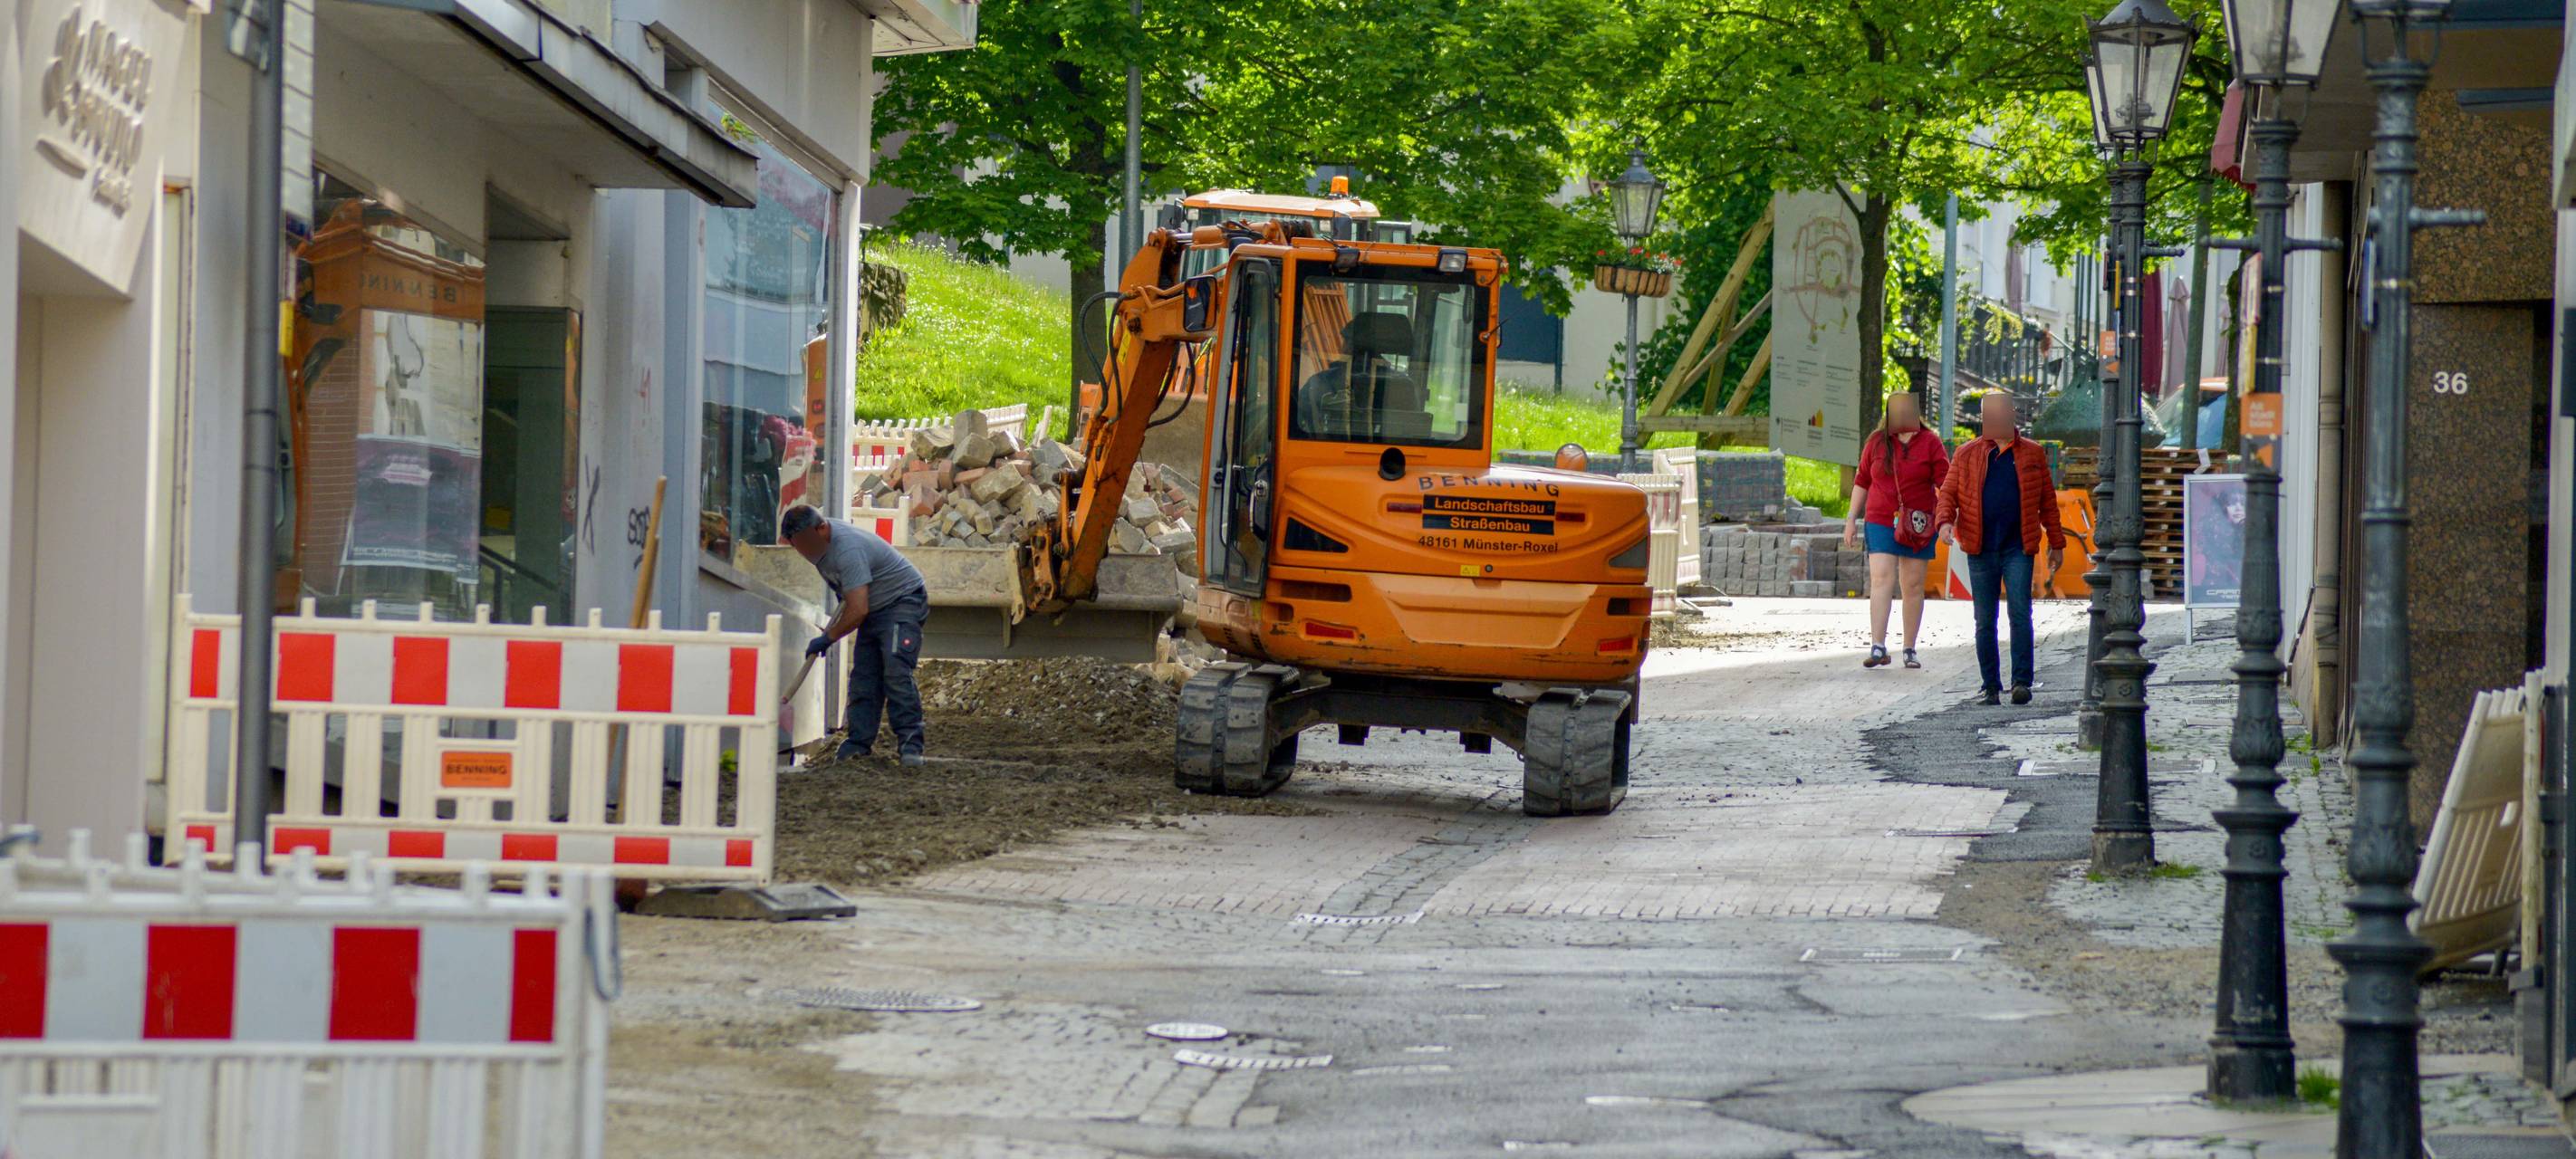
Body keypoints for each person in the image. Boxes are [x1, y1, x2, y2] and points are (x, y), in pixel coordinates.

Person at [1935, 392, 2066, 705]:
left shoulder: (2032, 454)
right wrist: (1944, 523)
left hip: (2019, 546)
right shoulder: (1966, 455)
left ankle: (2021, 682)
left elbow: (2048, 502)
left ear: (2012, 414)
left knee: (2020, 612)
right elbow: (1948, 493)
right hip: (1980, 548)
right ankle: (1990, 686)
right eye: (1987, 415)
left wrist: (2057, 543)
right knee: (1985, 618)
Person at [781, 504, 930, 764]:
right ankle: (858, 744)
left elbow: (858, 609)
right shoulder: (819, 547)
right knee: (864, 676)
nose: (804, 552)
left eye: (805, 544)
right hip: (874, 608)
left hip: (902, 601)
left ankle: (910, 745)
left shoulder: (848, 550)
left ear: (822, 529)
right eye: (797, 546)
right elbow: (851, 600)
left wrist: (828, 638)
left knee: (895, 671)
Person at [1843, 391, 1950, 669]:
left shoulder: (1930, 443)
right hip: (1880, 519)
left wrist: (1948, 518)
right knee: (1881, 579)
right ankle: (1878, 645)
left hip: (1918, 522)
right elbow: (1862, 480)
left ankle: (1909, 647)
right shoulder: (1877, 443)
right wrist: (1851, 519)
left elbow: (1945, 482)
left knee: (1913, 585)